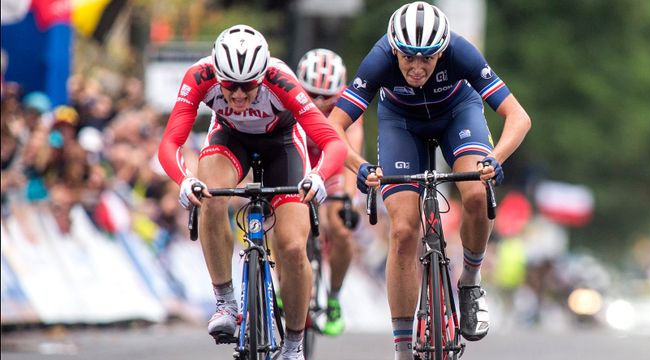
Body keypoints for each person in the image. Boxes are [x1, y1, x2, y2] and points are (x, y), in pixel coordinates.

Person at [326, 2, 531, 359]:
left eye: (428, 59)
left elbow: (518, 116)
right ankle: (404, 350)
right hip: (400, 124)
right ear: (394, 49)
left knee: (477, 194)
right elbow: (334, 125)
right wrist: (359, 166)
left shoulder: (461, 51)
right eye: (408, 59)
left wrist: (495, 158)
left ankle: (469, 281)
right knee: (403, 231)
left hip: (457, 114)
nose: (417, 68)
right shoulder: (379, 60)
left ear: (442, 51)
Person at [158, 25, 347, 359]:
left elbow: (332, 142)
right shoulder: (199, 76)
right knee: (211, 194)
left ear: (263, 75)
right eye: (230, 86)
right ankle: (226, 302)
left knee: (291, 245)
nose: (240, 95)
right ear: (217, 75)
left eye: (249, 86)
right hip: (230, 139)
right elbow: (171, 141)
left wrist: (318, 176)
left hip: (282, 144)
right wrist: (184, 180)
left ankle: (293, 345)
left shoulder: (281, 80)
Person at [295, 48, 364, 336]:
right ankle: (286, 282)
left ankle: (333, 297)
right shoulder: (288, 92)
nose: (320, 102)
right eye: (313, 94)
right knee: (287, 221)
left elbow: (352, 149)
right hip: (299, 157)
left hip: (333, 162)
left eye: (328, 97)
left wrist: (346, 200)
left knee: (341, 227)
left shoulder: (349, 100)